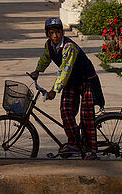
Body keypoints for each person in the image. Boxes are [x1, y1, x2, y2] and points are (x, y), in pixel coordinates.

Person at [29, 17, 103, 159]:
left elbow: (65, 70)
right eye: (51, 33)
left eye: (58, 32)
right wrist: (37, 71)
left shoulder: (69, 47)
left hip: (86, 81)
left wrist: (54, 91)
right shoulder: (49, 45)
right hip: (72, 82)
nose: (55, 36)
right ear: (47, 34)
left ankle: (92, 150)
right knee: (66, 111)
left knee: (86, 117)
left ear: (62, 32)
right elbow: (45, 58)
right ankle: (74, 142)